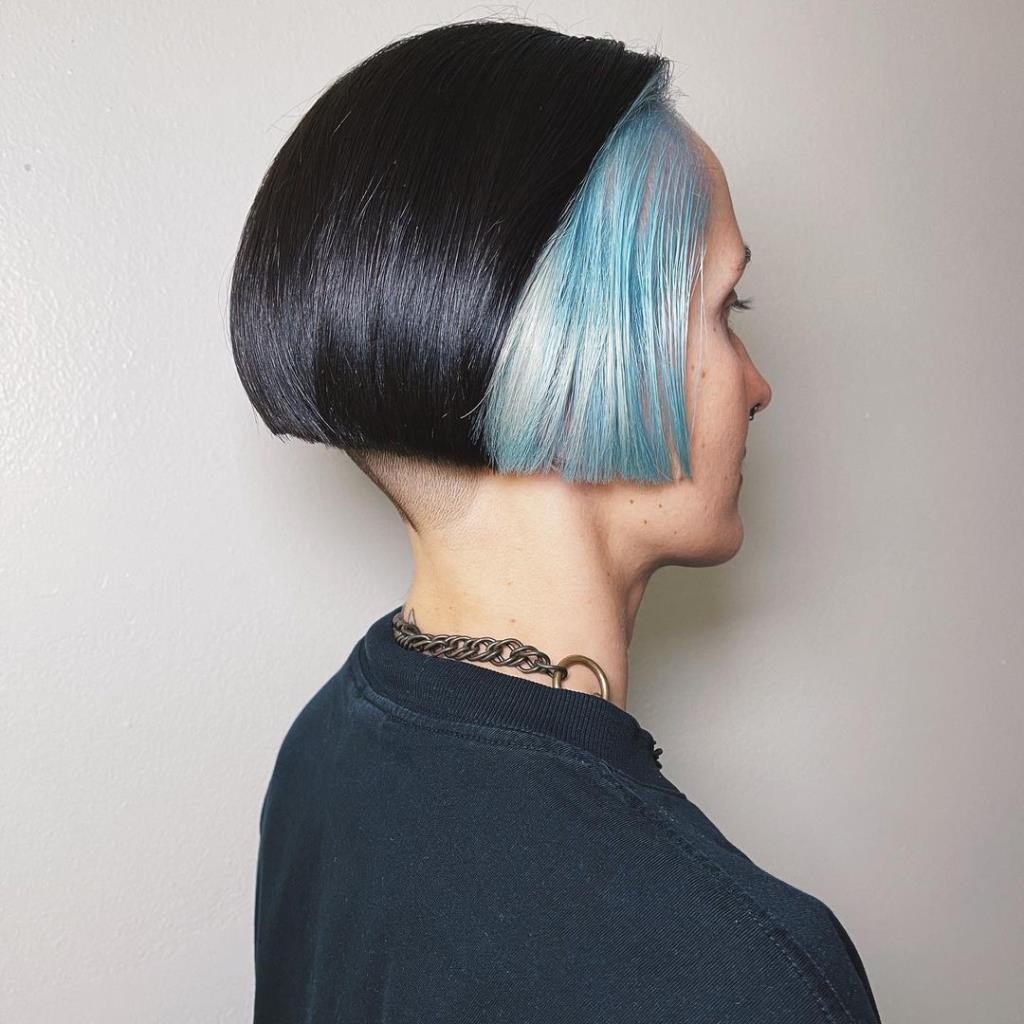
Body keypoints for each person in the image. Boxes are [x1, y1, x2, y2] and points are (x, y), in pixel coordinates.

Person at [230, 18, 882, 1023]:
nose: (759, 388)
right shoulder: (745, 973)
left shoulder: (327, 745)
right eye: (725, 311)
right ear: (589, 353)